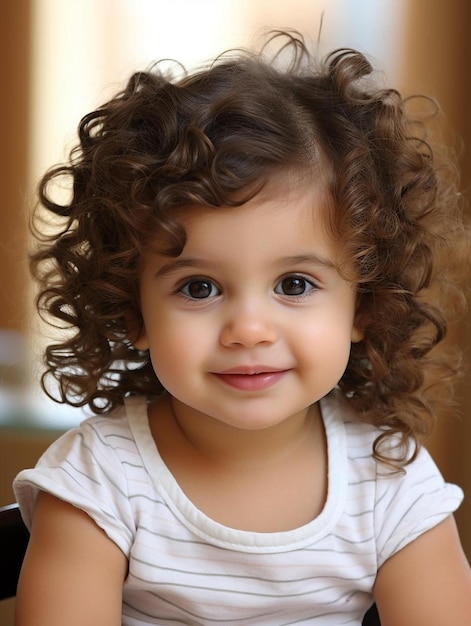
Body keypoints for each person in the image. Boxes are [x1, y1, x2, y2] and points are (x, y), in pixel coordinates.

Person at [13, 31, 471, 625]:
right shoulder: (100, 481)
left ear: (363, 305)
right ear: (133, 312)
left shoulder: (390, 477)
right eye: (198, 287)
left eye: (295, 285)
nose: (249, 330)